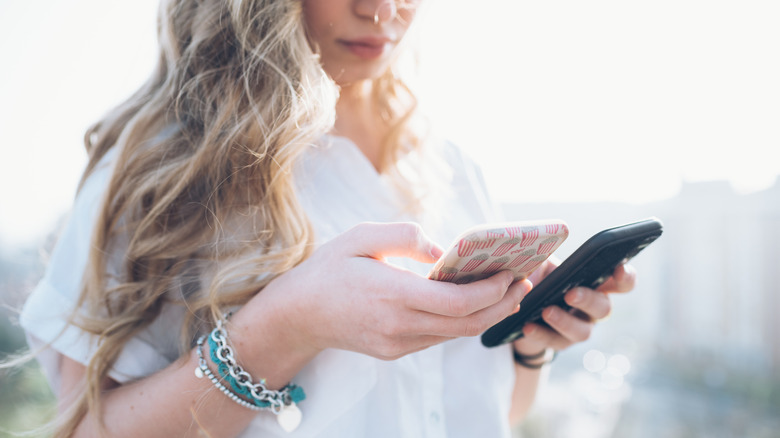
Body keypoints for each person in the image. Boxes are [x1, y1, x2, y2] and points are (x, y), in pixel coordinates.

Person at [18, 0, 635, 436]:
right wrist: (285, 326)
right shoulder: (165, 168)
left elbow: (485, 413)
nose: (384, 8)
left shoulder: (450, 166)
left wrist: (529, 343)